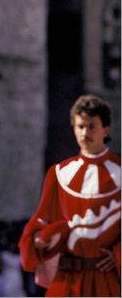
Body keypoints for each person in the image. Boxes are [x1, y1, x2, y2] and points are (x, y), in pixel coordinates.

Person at [19, 94, 121, 296]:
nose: (85, 132)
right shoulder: (59, 173)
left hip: (105, 279)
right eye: (80, 126)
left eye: (92, 126)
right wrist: (40, 238)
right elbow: (42, 218)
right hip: (66, 280)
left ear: (106, 129)